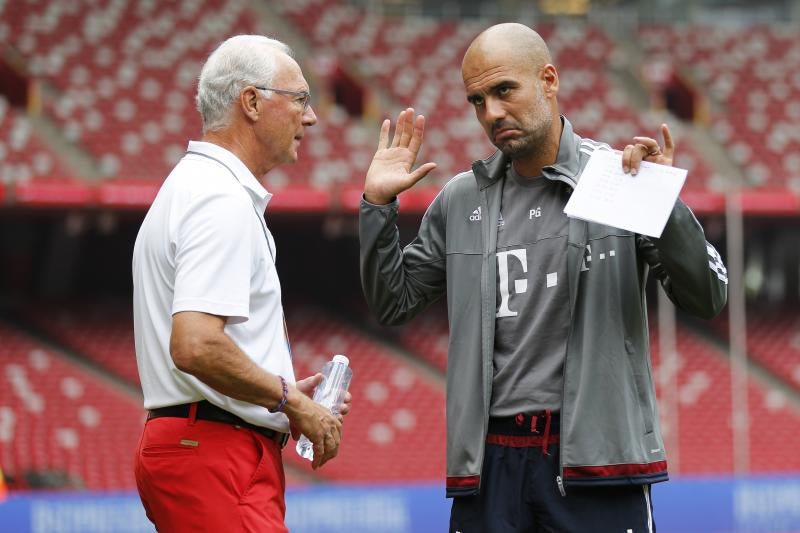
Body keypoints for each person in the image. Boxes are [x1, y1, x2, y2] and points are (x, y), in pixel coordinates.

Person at [360, 23, 727, 532]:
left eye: (504, 90)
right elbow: (392, 303)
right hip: (489, 473)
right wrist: (377, 206)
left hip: (597, 467)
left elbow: (708, 296)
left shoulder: (619, 178)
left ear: (549, 80)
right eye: (477, 100)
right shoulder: (460, 199)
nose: (491, 113)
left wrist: (666, 209)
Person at [132, 35, 350, 533]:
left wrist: (281, 392)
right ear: (251, 102)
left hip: (204, 443)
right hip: (213, 451)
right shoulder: (219, 198)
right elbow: (195, 344)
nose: (310, 117)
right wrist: (290, 401)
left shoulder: (195, 187)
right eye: (299, 99)